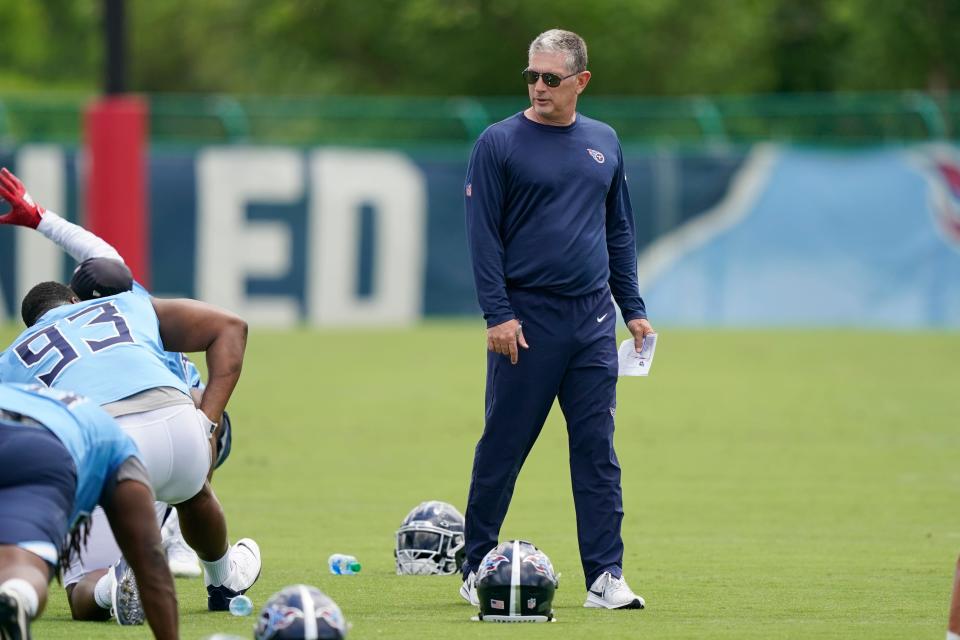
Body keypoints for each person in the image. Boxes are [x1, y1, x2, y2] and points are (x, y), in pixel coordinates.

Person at [460, 28, 653, 610]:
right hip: (526, 322)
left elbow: (617, 229)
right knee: (504, 445)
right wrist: (498, 314)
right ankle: (475, 566)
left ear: (580, 82)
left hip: (592, 322)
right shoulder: (498, 143)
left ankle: (605, 577)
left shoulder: (605, 141)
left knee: (597, 449)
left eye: (551, 78)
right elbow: (482, 237)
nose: (538, 87)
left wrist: (633, 308)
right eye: (531, 76)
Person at [0, 167, 233, 579]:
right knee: (192, 424)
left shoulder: (27, 348)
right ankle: (187, 546)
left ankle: (147, 541)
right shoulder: (131, 299)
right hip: (181, 423)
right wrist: (38, 216)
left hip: (115, 438)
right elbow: (96, 251)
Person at [0, 278, 260, 621]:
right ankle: (223, 578)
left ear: (31, 325)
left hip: (104, 444)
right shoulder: (125, 305)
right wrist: (207, 423)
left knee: (84, 589)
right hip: (176, 418)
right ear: (76, 300)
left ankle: (111, 586)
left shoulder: (14, 356)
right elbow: (231, 326)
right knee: (193, 493)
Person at [0, 382, 178, 639]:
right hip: (45, 447)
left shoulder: (17, 383)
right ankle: (19, 594)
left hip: (34, 432)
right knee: (24, 566)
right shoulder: (118, 447)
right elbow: (150, 558)